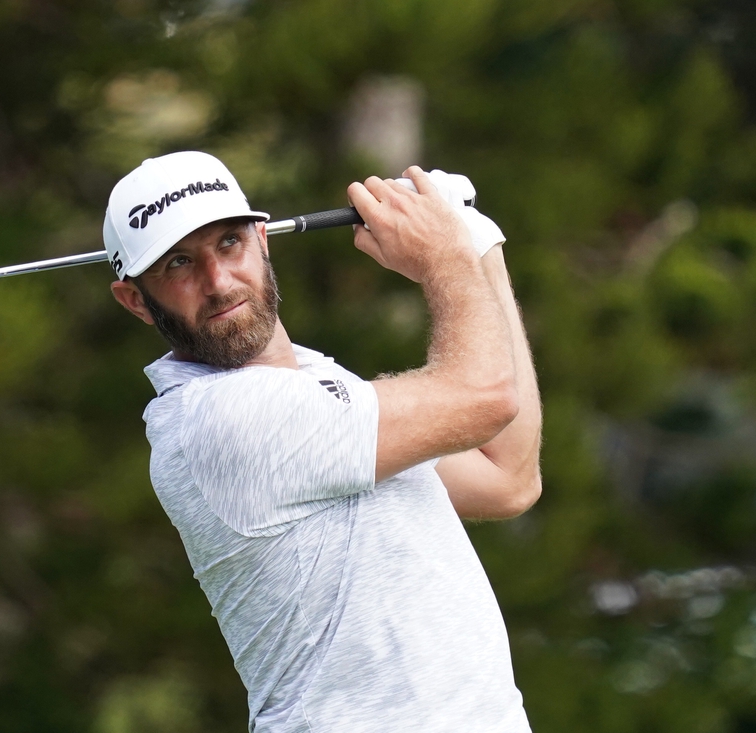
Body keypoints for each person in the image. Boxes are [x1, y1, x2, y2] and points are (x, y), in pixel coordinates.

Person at [103, 150, 542, 733]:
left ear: (263, 239)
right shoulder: (219, 419)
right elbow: (484, 397)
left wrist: (480, 250)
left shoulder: (322, 388)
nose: (217, 282)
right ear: (135, 299)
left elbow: (506, 474)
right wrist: (445, 257)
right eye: (178, 263)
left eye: (229, 243)